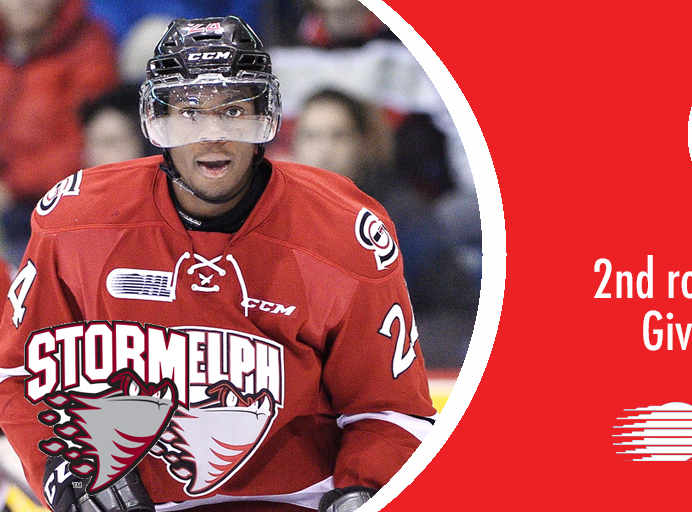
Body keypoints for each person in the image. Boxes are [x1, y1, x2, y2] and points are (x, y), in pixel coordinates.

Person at [0, 16, 434, 512]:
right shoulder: (76, 223)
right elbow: (20, 372)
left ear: (266, 117)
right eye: (189, 112)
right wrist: (62, 468)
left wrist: (367, 490)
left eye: (233, 111)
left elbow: (389, 410)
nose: (212, 135)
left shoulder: (343, 232)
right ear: (157, 121)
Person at [0, 0, 118, 265]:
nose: (24, 3)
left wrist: (13, 185)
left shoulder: (87, 46)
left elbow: (87, 145)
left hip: (51, 205)